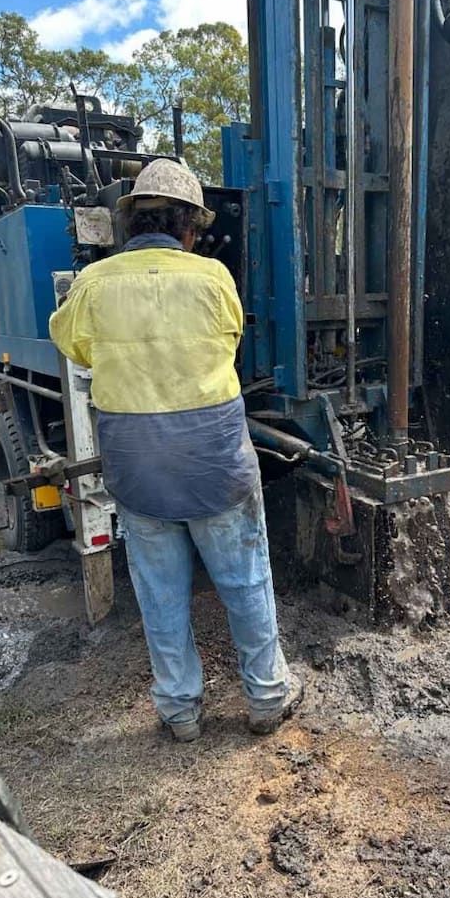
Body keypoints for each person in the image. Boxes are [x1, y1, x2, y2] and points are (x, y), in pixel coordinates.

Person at [50, 159, 303, 742]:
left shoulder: (93, 284)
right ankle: (266, 698)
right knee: (243, 582)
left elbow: (74, 346)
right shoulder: (213, 278)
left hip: (136, 463)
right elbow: (232, 339)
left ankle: (180, 711)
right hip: (213, 456)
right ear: (189, 225)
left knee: (160, 593)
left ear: (131, 222)